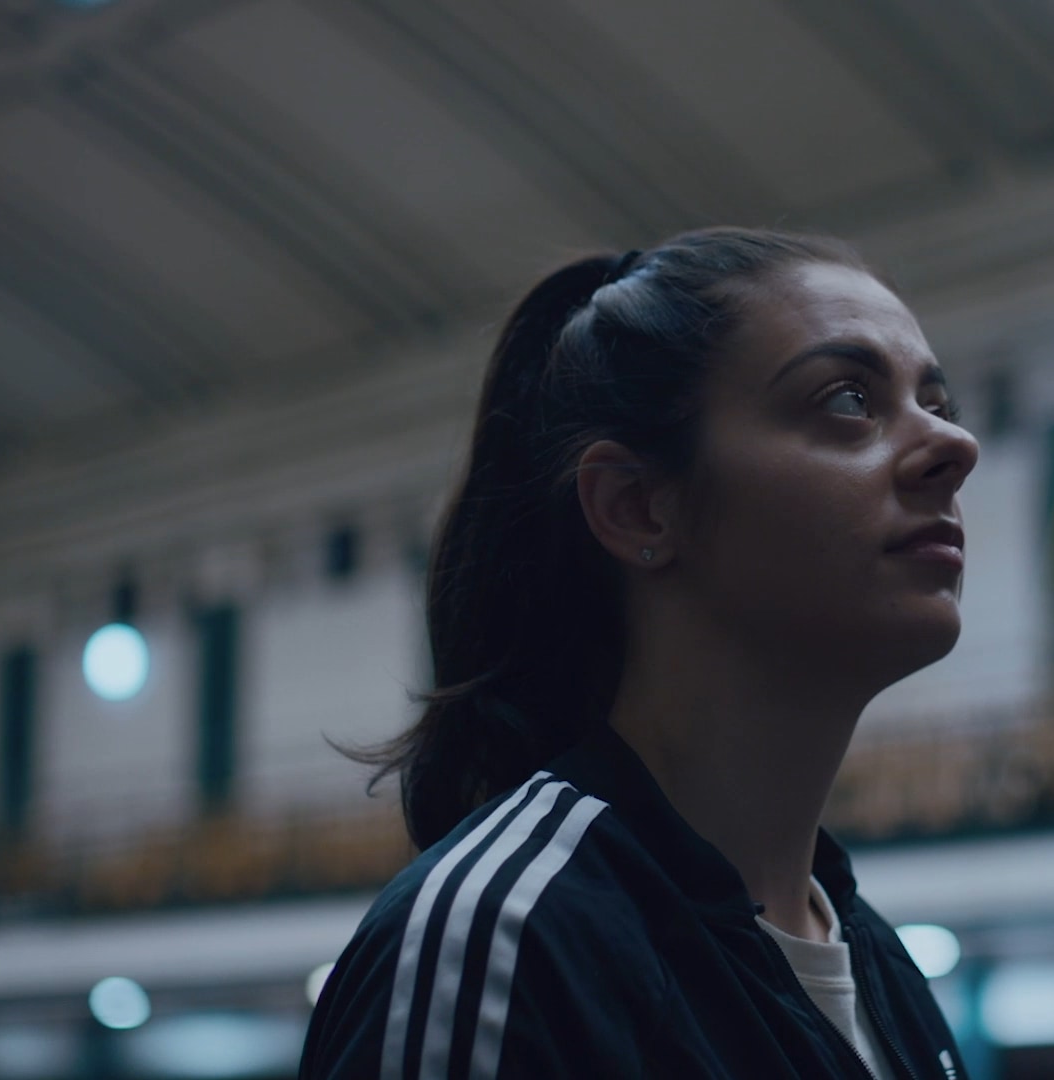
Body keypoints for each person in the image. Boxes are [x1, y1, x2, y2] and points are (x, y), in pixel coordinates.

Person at [300, 229, 979, 1079]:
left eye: (938, 405)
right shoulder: (506, 939)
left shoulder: (880, 965)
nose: (955, 449)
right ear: (637, 508)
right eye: (847, 400)